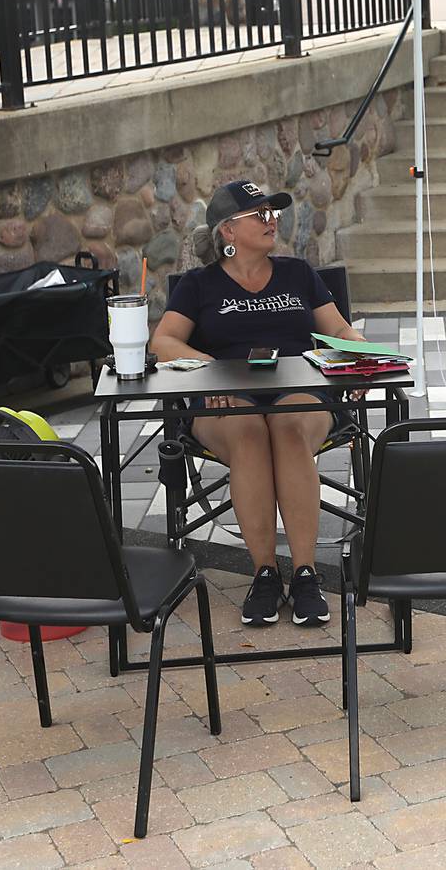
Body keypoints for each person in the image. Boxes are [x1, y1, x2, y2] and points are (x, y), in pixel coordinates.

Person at [150, 180, 368, 628]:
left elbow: (342, 331)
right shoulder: (198, 285)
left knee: (285, 430)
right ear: (228, 231)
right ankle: (265, 574)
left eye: (274, 212)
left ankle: (305, 575)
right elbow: (163, 342)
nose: (272, 220)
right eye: (260, 214)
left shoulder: (297, 273)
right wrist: (209, 369)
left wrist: (360, 355)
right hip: (226, 395)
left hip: (298, 389)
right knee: (250, 433)